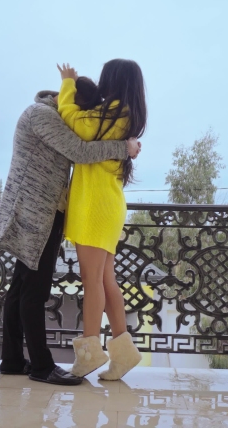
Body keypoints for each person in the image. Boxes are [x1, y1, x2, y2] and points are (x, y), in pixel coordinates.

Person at [0, 87, 142, 386]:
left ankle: (11, 359)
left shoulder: (45, 114)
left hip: (41, 210)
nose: (78, 116)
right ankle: (41, 366)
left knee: (21, 285)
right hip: (36, 212)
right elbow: (80, 151)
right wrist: (123, 148)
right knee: (34, 288)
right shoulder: (42, 115)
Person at [56, 59, 147, 380]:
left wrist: (68, 84)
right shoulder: (124, 115)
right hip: (104, 203)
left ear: (113, 80)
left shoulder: (114, 113)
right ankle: (123, 354)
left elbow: (75, 121)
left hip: (95, 206)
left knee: (92, 281)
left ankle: (90, 352)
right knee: (106, 281)